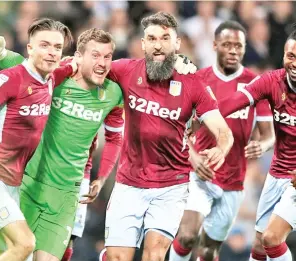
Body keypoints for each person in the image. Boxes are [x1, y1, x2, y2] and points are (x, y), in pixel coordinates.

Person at [98, 12, 234, 261]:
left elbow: (224, 132)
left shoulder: (193, 84)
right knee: (117, 257)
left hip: (171, 186)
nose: (158, 44)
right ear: (143, 44)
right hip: (129, 183)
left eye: (164, 38)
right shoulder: (125, 70)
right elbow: (89, 69)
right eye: (151, 38)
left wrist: (220, 149)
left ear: (177, 43)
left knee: (155, 254)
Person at [0, 28, 126, 261]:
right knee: (16, 251)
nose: (102, 63)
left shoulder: (113, 94)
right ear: (79, 56)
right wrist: (0, 54)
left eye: (107, 57)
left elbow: (115, 137)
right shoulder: (56, 77)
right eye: (95, 56)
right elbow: (23, 68)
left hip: (67, 196)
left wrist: (102, 177)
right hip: (29, 185)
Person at [218, 17, 296, 261]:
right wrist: (196, 114)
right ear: (284, 55)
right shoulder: (272, 81)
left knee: (272, 238)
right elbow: (232, 102)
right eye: (290, 56)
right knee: (260, 247)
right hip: (278, 173)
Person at [169, 21, 275, 261]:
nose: (233, 50)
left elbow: (268, 133)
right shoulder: (197, 79)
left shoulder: (256, 85)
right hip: (199, 172)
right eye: (227, 44)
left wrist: (264, 144)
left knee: (208, 251)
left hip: (234, 179)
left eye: (238, 45)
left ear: (245, 48)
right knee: (186, 236)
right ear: (215, 45)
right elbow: (177, 129)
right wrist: (193, 159)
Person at [0, 18, 74, 261]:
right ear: (29, 49)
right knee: (25, 244)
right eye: (44, 45)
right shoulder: (11, 78)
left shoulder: (50, 78)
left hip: (12, 185)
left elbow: (86, 62)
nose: (52, 53)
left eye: (57, 47)